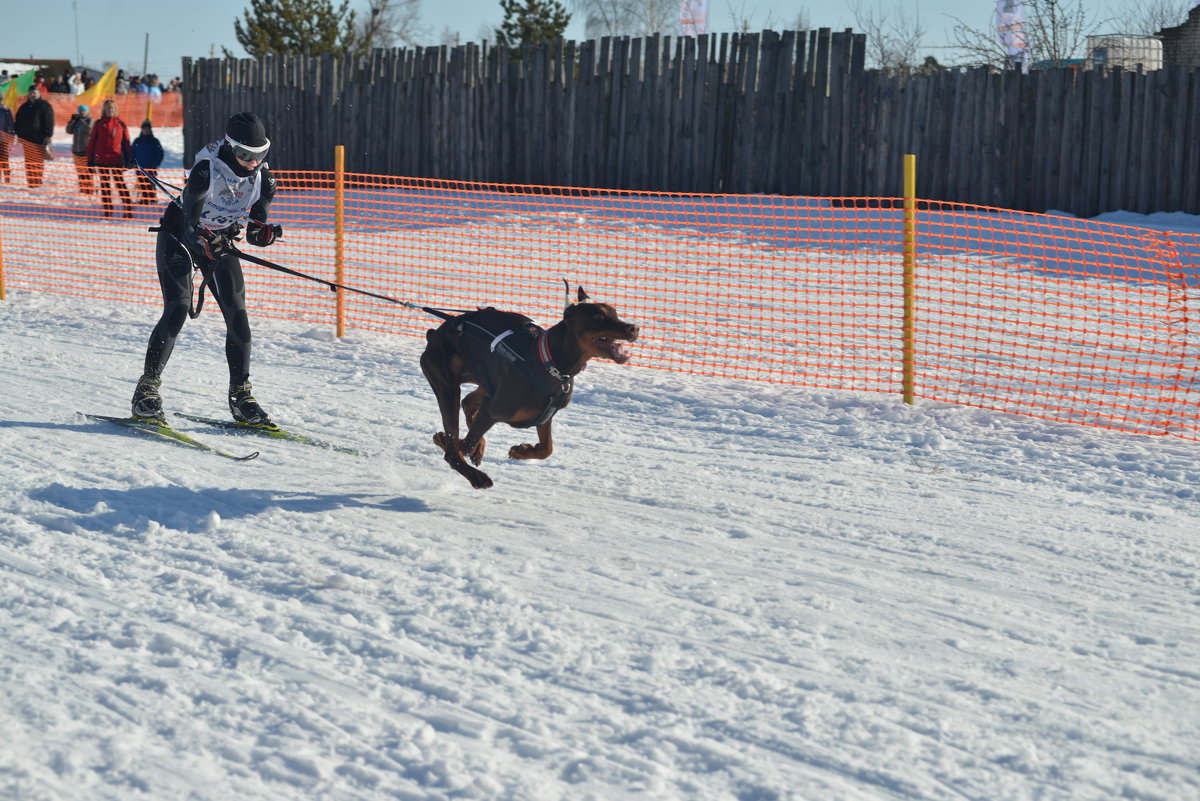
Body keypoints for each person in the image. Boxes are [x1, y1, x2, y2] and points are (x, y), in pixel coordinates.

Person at [131, 112, 284, 427]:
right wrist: (205, 239)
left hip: (218, 241)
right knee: (179, 307)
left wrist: (264, 236)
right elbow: (189, 227)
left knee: (237, 314)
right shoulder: (206, 171)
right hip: (178, 237)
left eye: (260, 155)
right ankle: (146, 392)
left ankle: (242, 397)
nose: (252, 162)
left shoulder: (264, 181)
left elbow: (255, 231)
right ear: (229, 147)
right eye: (244, 154)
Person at [87, 99, 134, 218]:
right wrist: (90, 160)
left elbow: (126, 142)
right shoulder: (98, 123)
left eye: (112, 108)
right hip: (101, 159)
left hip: (116, 158)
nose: (110, 110)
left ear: (115, 109)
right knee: (105, 186)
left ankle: (128, 209)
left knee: (120, 185)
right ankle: (107, 210)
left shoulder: (121, 123)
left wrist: (128, 157)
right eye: (108, 108)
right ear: (104, 110)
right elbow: (92, 141)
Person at [13, 86, 54, 187]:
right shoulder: (24, 107)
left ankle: (37, 181)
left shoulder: (44, 105)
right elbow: (17, 121)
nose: (32, 94)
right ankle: (31, 182)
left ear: (39, 93)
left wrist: (48, 135)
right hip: (26, 139)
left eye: (34, 92)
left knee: (37, 161)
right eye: (31, 92)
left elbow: (49, 121)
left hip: (39, 139)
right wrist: (17, 134)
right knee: (29, 161)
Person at [130, 119, 163, 204]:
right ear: (142, 129)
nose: (146, 130)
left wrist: (155, 163)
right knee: (142, 185)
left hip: (151, 168)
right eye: (144, 128)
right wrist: (133, 162)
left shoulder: (154, 141)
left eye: (148, 128)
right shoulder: (137, 141)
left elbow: (160, 153)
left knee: (151, 186)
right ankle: (144, 200)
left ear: (150, 130)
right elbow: (132, 152)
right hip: (140, 168)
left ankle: (152, 200)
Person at [66, 104, 94, 194]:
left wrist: (81, 120)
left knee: (87, 171)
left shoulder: (90, 120)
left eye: (84, 111)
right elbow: (68, 131)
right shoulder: (77, 121)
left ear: (87, 112)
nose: (82, 113)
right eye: (80, 111)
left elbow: (89, 130)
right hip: (76, 150)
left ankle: (89, 189)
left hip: (86, 150)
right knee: (80, 170)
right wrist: (72, 121)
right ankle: (82, 188)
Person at [0, 102, 14, 183]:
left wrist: (11, 136)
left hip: (4, 140)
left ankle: (7, 179)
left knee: (4, 160)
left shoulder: (6, 111)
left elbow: (11, 125)